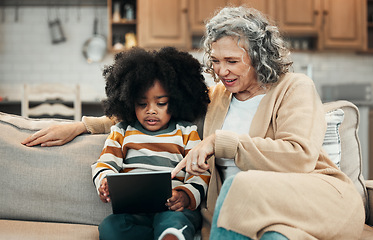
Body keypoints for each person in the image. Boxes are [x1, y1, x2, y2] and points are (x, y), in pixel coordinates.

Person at [22, 6, 365, 240]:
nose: (222, 71)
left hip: (309, 196)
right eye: (215, 61)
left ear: (260, 59)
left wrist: (221, 143)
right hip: (256, 216)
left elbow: (300, 156)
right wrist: (82, 126)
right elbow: (149, 108)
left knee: (241, 187)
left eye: (232, 61)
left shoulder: (295, 87)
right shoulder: (217, 97)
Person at [94, 47, 210, 240]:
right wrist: (104, 182)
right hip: (134, 212)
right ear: (128, 101)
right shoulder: (122, 131)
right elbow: (105, 163)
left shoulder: (187, 132)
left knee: (174, 223)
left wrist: (185, 195)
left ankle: (168, 235)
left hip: (173, 209)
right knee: (109, 227)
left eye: (161, 103)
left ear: (176, 100)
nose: (151, 111)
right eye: (142, 104)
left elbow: (200, 171)